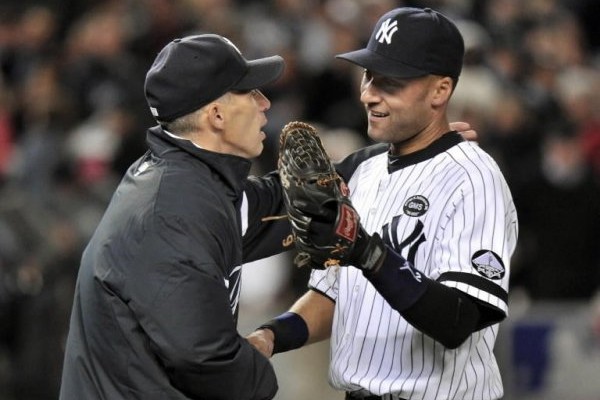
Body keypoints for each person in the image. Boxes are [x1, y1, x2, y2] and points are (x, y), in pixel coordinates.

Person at [248, 7, 519, 400]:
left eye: (390, 82)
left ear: (440, 91)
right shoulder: (362, 172)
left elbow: (459, 319)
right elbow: (332, 297)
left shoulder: (474, 178)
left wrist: (367, 251)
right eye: (368, 75)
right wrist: (269, 337)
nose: (368, 94)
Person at [59, 34, 292, 400]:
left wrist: (360, 172)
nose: (264, 103)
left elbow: (261, 208)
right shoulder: (171, 211)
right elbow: (208, 361)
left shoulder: (192, 180)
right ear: (216, 115)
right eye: (250, 93)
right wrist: (260, 372)